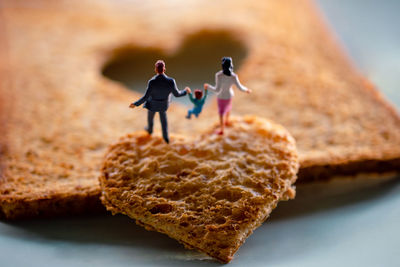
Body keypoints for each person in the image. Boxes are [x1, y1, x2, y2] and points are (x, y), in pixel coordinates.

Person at [129, 60, 190, 143]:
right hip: (163, 105)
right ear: (164, 69)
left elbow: (146, 97)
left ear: (155, 69)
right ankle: (166, 137)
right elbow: (177, 94)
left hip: (152, 105)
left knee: (150, 118)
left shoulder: (152, 82)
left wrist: (135, 104)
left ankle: (150, 130)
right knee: (163, 120)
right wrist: (185, 91)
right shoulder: (171, 81)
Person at [204, 57, 251, 135]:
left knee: (221, 113)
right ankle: (227, 121)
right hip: (229, 95)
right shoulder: (234, 76)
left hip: (221, 96)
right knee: (228, 107)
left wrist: (208, 87)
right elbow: (240, 87)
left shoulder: (219, 75)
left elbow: (217, 89)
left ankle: (222, 130)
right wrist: (246, 90)